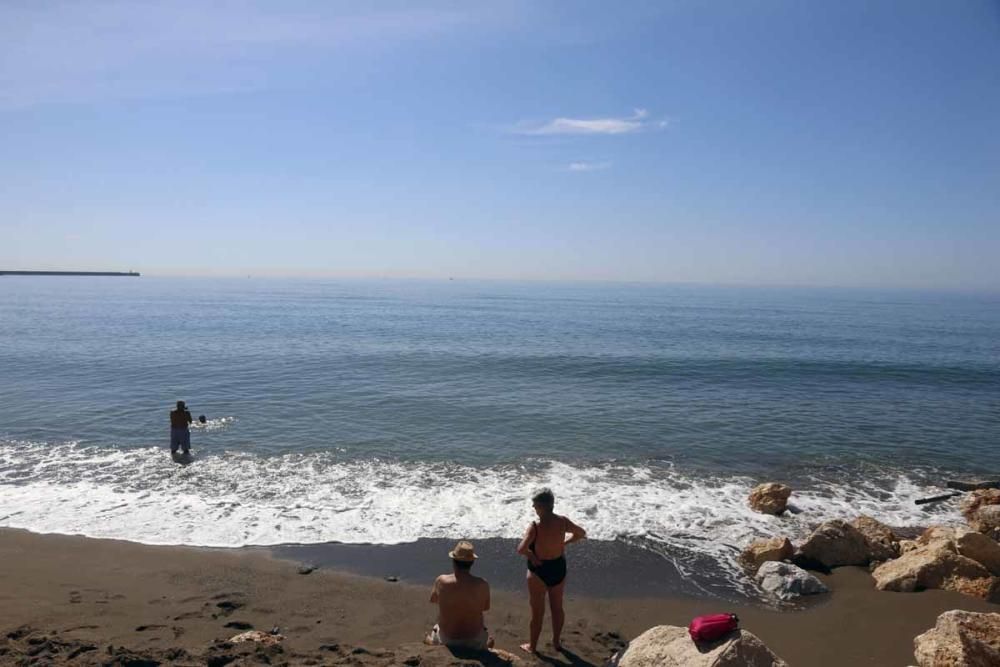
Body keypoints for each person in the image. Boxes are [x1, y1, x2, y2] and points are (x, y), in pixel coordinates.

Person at [516, 488, 586, 654]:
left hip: (539, 571)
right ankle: (556, 642)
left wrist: (531, 555)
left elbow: (520, 549)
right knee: (557, 607)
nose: (533, 507)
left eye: (535, 505)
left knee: (537, 611)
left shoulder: (535, 526)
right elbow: (581, 533)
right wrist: (566, 543)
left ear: (541, 506)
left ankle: (532, 647)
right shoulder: (562, 521)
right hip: (558, 567)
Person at [426, 541, 494, 651]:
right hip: (474, 639)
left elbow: (434, 600)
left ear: (453, 561)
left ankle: (433, 641)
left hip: (447, 639)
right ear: (472, 563)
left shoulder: (441, 581)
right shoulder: (483, 584)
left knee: (436, 628)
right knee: (489, 638)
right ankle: (484, 645)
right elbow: (485, 608)